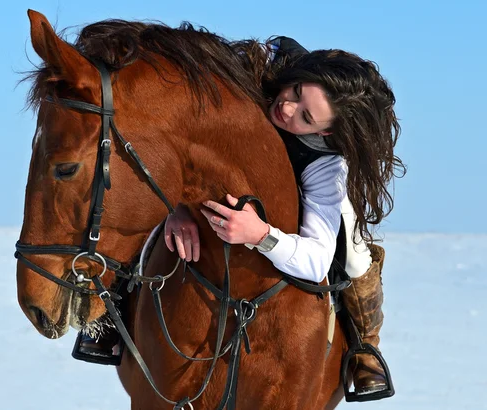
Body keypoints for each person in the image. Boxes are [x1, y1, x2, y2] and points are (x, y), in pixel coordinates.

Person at [164, 37, 405, 400]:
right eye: (295, 91)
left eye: (305, 116)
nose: (286, 108)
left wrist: (260, 235)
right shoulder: (262, 69)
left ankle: (365, 347)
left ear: (324, 131)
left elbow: (317, 260)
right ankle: (106, 315)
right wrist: (174, 207)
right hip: (195, 185)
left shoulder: (326, 163)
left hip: (301, 196)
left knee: (353, 250)